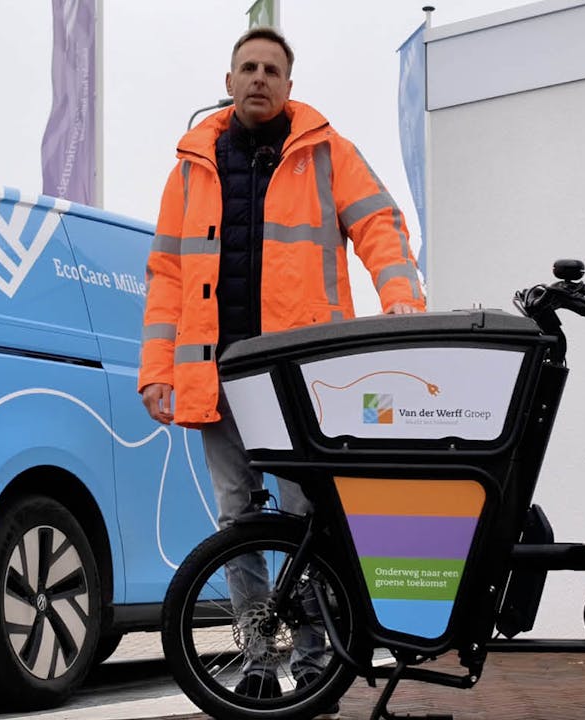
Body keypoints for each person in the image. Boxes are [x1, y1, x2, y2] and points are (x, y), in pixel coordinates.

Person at [139, 27, 425, 702]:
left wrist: (402, 298)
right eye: (249, 67)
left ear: (289, 86)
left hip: (302, 379)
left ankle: (319, 654)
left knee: (308, 518)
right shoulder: (191, 166)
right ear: (230, 79)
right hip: (220, 376)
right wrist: (157, 368)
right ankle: (259, 656)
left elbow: (380, 224)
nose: (260, 78)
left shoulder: (327, 152)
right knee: (238, 523)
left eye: (272, 69)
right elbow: (167, 276)